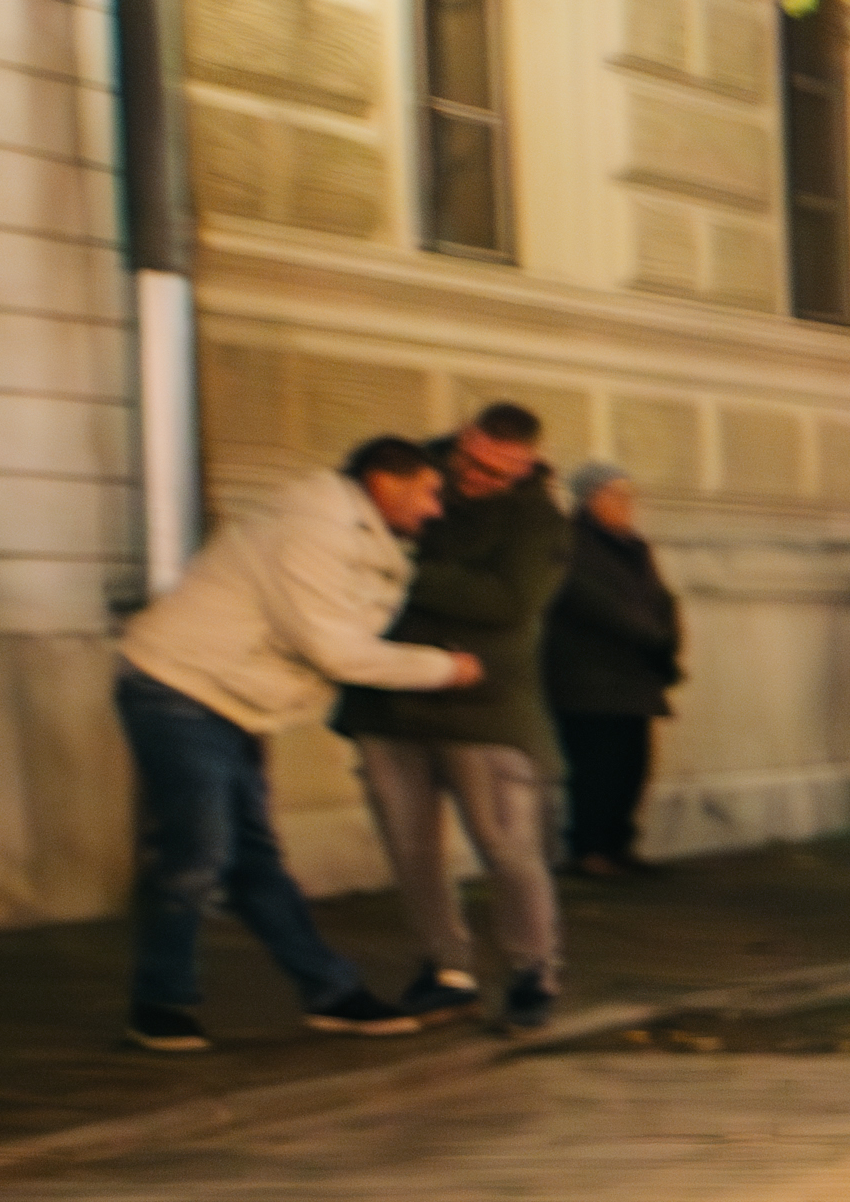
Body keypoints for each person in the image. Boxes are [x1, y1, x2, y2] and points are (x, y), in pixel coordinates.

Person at [105, 435, 471, 1052]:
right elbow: (333, 649)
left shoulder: (364, 541)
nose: (437, 509)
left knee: (250, 858)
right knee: (197, 850)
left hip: (229, 698)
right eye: (430, 492)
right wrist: (445, 669)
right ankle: (160, 1003)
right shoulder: (316, 528)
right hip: (178, 685)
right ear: (384, 482)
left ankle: (331, 995)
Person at [345, 401, 570, 1030]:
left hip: (485, 708)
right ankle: (444, 969)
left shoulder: (537, 520)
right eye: (470, 464)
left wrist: (408, 570)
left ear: (524, 467)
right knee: (410, 850)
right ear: (462, 440)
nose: (476, 481)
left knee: (507, 847)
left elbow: (507, 602)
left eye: (497, 475)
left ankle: (534, 970)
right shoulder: (410, 472)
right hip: (387, 699)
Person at [545, 465, 684, 879]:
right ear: (590, 500)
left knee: (632, 767)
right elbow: (590, 601)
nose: (626, 505)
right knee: (594, 768)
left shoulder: (636, 546)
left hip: (635, 676)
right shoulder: (569, 543)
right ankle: (589, 849)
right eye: (615, 495)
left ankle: (620, 844)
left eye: (629, 496)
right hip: (588, 678)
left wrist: (668, 636)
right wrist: (648, 633)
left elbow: (661, 598)